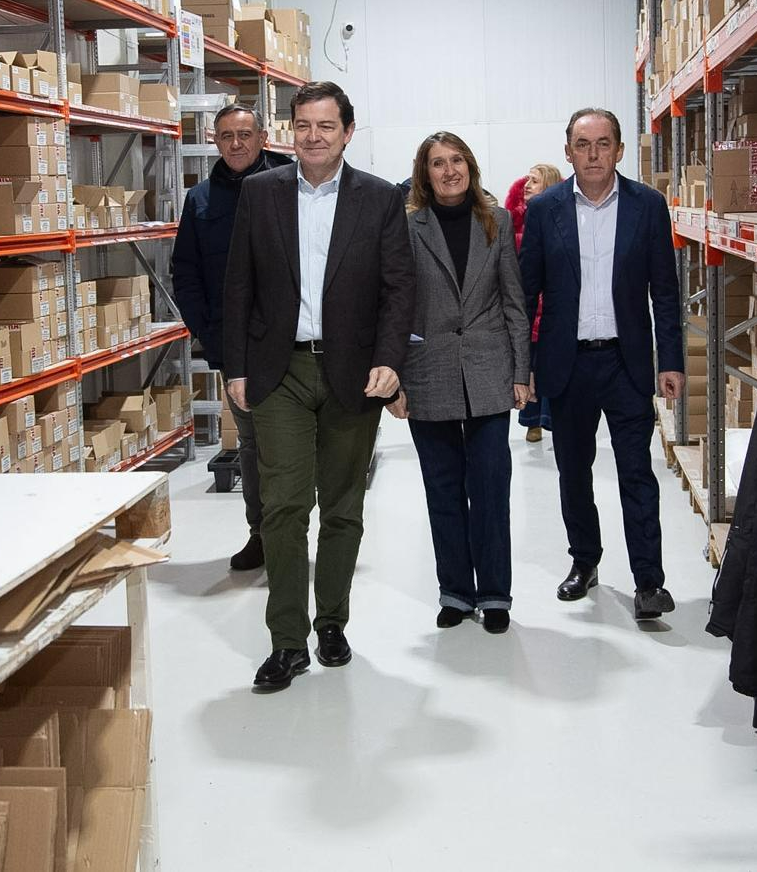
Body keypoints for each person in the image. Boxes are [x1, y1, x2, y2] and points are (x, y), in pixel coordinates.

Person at [224, 81, 416, 692]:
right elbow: (238, 285)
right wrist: (235, 368)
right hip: (278, 370)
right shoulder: (260, 193)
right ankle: (287, 641)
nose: (313, 137)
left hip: (352, 372)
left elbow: (398, 289)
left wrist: (390, 361)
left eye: (326, 126)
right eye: (303, 125)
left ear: (347, 132)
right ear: (290, 130)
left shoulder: (379, 198)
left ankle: (331, 622)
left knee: (341, 506)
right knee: (283, 506)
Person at [518, 108, 685, 622]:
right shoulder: (544, 209)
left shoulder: (647, 206)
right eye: (583, 144)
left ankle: (649, 583)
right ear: (568, 152)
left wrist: (671, 360)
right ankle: (584, 561)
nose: (593, 154)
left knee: (637, 473)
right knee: (573, 471)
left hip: (625, 362)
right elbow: (525, 294)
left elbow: (665, 291)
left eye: (603, 143)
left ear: (619, 150)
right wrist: (523, 367)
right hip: (566, 364)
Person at [390, 133, 531, 634]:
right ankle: (454, 591)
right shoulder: (406, 227)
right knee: (443, 489)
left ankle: (494, 594)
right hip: (427, 371)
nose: (449, 171)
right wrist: (394, 380)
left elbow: (514, 302)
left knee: (490, 487)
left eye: (457, 161)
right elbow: (393, 306)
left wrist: (521, 372)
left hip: (489, 370)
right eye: (437, 163)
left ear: (470, 167)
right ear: (424, 174)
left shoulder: (497, 221)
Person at [170, 105, 291, 571]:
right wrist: (208, 333)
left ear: (262, 137)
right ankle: (261, 535)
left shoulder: (291, 184)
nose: (236, 144)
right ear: (213, 140)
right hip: (237, 348)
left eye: (244, 134)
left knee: (297, 446)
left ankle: (293, 534)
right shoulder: (201, 200)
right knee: (254, 444)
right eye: (226, 136)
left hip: (294, 340)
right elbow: (186, 272)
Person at [505, 163, 563, 442]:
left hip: (550, 308)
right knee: (526, 363)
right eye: (527, 180)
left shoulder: (558, 221)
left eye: (535, 181)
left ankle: (551, 419)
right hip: (524, 305)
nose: (527, 185)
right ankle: (532, 421)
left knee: (550, 365)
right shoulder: (513, 223)